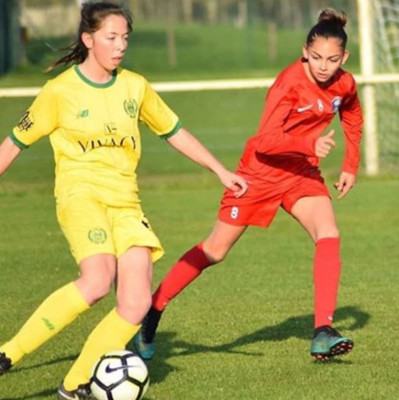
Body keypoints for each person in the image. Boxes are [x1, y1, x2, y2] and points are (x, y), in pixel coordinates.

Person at [0, 2, 247, 399]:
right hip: (80, 196)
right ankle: (9, 352)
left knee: (135, 303)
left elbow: (174, 131)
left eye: (125, 38)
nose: (120, 46)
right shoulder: (59, 92)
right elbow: (12, 145)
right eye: (111, 37)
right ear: (88, 39)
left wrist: (219, 170)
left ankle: (72, 386)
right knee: (97, 280)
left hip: (126, 204)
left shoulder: (135, 87)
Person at [130, 8, 363, 362]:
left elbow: (352, 112)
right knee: (215, 251)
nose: (323, 66)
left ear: (344, 58)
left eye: (332, 59)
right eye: (316, 57)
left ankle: (322, 331)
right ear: (304, 51)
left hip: (300, 173)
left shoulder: (344, 82)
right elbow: (266, 140)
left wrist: (350, 164)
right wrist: (308, 145)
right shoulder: (288, 83)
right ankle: (152, 311)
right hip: (260, 173)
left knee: (328, 234)